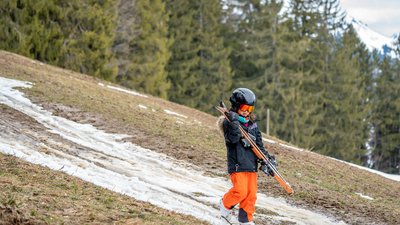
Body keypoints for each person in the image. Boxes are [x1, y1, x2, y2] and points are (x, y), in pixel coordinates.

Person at [218, 88, 276, 225]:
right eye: (244, 107)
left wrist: (267, 160)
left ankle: (245, 221)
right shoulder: (228, 122)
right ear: (237, 106)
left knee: (250, 195)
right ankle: (225, 207)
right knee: (240, 191)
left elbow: (259, 146)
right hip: (237, 165)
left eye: (250, 108)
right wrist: (233, 124)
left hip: (251, 165)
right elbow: (232, 139)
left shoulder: (252, 125)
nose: (247, 111)